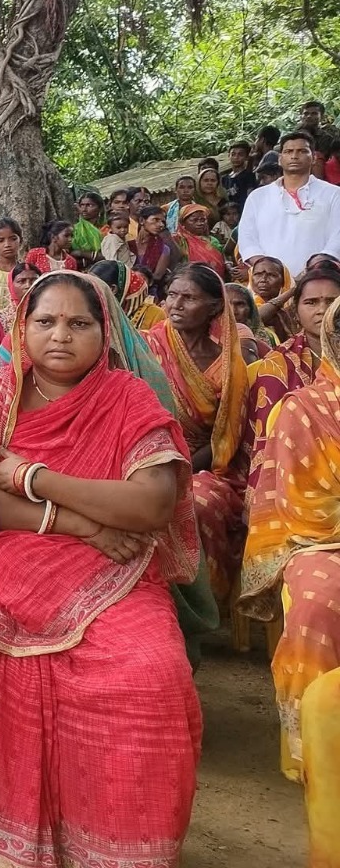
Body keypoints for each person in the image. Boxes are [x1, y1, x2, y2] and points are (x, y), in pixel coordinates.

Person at [0, 271, 200, 865]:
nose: (60, 335)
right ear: (22, 329)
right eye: (46, 321)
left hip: (115, 576)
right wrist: (84, 524)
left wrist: (33, 477)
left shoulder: (128, 397)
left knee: (152, 674)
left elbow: (152, 504)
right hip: (7, 561)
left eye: (78, 323)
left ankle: (120, 843)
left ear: (104, 332)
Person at [238, 290, 340, 771]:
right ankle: (318, 754)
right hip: (324, 540)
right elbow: (307, 509)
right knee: (320, 603)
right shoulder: (306, 409)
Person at [145, 263, 251, 613]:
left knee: (198, 503)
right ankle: (150, 600)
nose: (175, 305)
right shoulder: (147, 347)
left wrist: (181, 469)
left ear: (214, 307)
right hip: (145, 457)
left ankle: (200, 604)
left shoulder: (228, 365)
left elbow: (225, 436)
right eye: (171, 295)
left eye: (189, 298)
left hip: (206, 465)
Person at [245, 268, 340, 465]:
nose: (322, 310)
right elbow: (271, 438)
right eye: (311, 302)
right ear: (296, 312)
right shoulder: (278, 364)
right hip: (296, 463)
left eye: (331, 302)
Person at [238, 130, 340, 276]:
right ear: (280, 159)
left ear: (313, 158)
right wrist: (267, 268)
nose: (294, 156)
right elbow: (247, 238)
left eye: (302, 151)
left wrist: (317, 265)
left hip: (318, 279)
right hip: (267, 282)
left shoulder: (333, 194)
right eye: (288, 151)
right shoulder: (258, 197)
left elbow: (337, 238)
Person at [91, 258, 167, 332]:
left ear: (113, 289)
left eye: (93, 286)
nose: (87, 290)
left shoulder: (155, 314)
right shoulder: (93, 309)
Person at [249, 253, 298, 343]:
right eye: (258, 274)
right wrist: (291, 291)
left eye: (271, 275)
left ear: (283, 281)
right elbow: (256, 318)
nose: (263, 279)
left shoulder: (294, 308)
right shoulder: (244, 303)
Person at [173, 202, 226, 276]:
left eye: (203, 220)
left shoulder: (213, 241)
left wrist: (228, 265)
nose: (200, 223)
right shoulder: (178, 240)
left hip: (215, 279)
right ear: (183, 223)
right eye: (194, 220)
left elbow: (223, 259)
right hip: (190, 278)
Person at [132, 206, 175, 294]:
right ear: (142, 221)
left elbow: (157, 276)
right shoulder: (128, 245)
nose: (161, 225)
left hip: (150, 293)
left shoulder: (163, 248)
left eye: (162, 222)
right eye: (155, 220)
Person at [71, 192, 104, 266]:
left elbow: (108, 256)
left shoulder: (107, 229)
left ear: (100, 209)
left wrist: (81, 253)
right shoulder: (74, 230)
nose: (84, 209)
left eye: (89, 205)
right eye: (82, 205)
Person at [223, 140, 259, 205]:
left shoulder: (249, 177)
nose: (236, 157)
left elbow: (250, 198)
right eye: (233, 154)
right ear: (229, 156)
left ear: (246, 157)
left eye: (240, 154)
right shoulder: (224, 179)